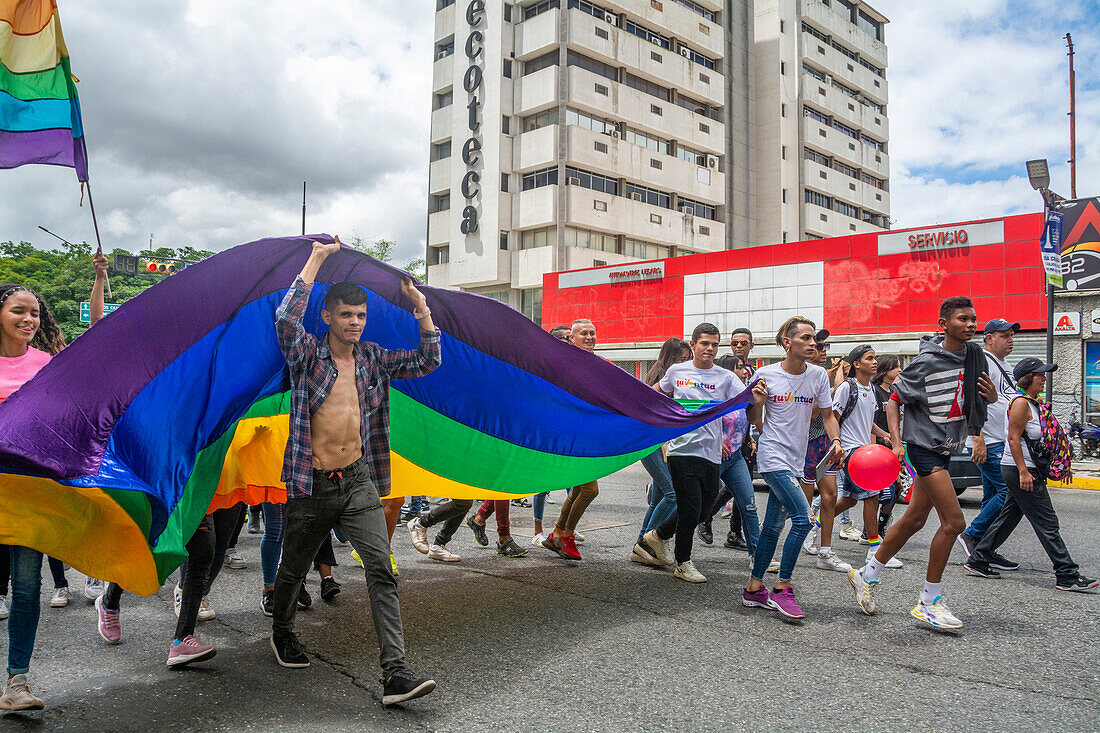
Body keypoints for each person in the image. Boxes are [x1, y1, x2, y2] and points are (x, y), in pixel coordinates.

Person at [271, 237, 439, 706]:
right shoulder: (306, 354)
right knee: (292, 570)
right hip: (311, 483)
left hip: (358, 480)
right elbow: (285, 319)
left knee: (382, 569)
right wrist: (317, 258)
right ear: (328, 317)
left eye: (360, 316)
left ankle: (395, 675)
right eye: (346, 315)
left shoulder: (372, 358)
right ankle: (282, 630)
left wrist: (420, 308)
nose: (355, 323)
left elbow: (428, 359)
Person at [849, 296, 997, 630]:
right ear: (944, 324)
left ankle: (866, 575)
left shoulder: (974, 356)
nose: (971, 324)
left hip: (946, 445)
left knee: (915, 518)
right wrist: (898, 443)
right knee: (954, 523)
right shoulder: (927, 362)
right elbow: (895, 399)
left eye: (974, 319)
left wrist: (987, 407)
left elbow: (979, 398)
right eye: (963, 319)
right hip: (923, 448)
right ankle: (929, 602)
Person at [0, 253, 107, 711]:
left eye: (34, 312)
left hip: (31, 494)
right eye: (18, 310)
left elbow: (99, 342)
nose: (28, 319)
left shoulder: (48, 363)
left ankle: (17, 682)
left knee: (27, 588)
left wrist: (100, 280)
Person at [963, 359, 1097, 591]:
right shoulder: (1020, 403)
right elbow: (1013, 439)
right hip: (1020, 470)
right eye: (1040, 375)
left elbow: (1040, 441)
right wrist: (1024, 471)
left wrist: (1059, 464)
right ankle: (1067, 574)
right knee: (1047, 522)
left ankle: (979, 559)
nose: (1044, 378)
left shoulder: (1034, 404)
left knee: (1009, 517)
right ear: (1028, 378)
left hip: (1025, 468)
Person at [741, 317, 842, 620]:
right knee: (803, 519)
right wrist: (756, 402)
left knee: (772, 526)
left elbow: (827, 415)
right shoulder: (765, 374)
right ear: (788, 342)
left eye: (816, 341)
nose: (814, 345)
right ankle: (782, 588)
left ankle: (754, 588)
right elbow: (751, 419)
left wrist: (836, 440)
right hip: (772, 455)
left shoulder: (818, 376)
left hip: (798, 457)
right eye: (807, 339)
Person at [636, 323, 743, 582]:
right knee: (690, 506)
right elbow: (656, 393)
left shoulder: (726, 377)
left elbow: (745, 402)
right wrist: (638, 406)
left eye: (715, 344)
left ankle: (658, 534)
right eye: (705, 343)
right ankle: (683, 562)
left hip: (711, 451)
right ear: (693, 345)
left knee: (704, 509)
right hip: (681, 449)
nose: (710, 349)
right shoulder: (677, 371)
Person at [956, 318, 1021, 574]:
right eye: (1004, 335)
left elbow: (1005, 401)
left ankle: (984, 550)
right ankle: (971, 535)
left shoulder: (1004, 365)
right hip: (989, 441)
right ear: (989, 338)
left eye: (1011, 335)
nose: (1010, 340)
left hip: (1000, 440)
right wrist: (977, 439)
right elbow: (970, 400)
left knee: (991, 496)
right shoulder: (982, 361)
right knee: (1009, 492)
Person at [696, 354, 769, 571]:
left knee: (749, 505)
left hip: (735, 457)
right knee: (692, 505)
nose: (745, 371)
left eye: (745, 368)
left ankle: (757, 556)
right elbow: (704, 418)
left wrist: (759, 404)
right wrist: (716, 441)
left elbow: (751, 420)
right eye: (739, 368)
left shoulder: (744, 393)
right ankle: (661, 537)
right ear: (728, 371)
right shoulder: (715, 391)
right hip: (712, 455)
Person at [540, 319, 601, 561]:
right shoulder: (564, 364)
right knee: (589, 489)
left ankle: (556, 534)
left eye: (592, 333)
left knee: (578, 488)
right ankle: (566, 535)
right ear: (571, 339)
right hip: (569, 435)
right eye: (583, 333)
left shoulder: (597, 364)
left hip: (588, 435)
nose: (589, 337)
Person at [830, 346, 895, 568]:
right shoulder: (847, 388)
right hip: (851, 452)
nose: (875, 362)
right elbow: (833, 418)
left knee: (849, 499)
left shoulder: (872, 390)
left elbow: (868, 422)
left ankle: (816, 526)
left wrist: (885, 435)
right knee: (872, 496)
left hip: (865, 451)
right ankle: (874, 551)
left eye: (875, 358)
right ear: (856, 364)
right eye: (869, 358)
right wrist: (836, 447)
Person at [630, 337, 689, 566]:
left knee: (659, 498)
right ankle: (646, 543)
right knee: (673, 494)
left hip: (661, 442)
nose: (684, 363)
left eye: (687, 359)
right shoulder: (660, 377)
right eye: (681, 359)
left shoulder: (673, 375)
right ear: (670, 358)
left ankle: (640, 545)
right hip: (651, 441)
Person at [802, 329, 857, 570]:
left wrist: (837, 441)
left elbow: (829, 414)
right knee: (804, 500)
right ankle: (803, 535)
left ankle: (825, 552)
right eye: (819, 346)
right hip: (805, 442)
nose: (822, 349)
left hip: (826, 441)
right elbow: (813, 413)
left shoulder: (823, 376)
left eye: (824, 346)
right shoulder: (806, 375)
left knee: (831, 495)